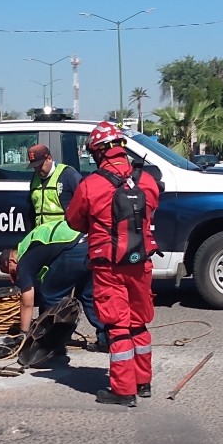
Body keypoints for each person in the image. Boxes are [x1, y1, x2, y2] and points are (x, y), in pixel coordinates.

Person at [65, 121, 161, 407]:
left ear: (97, 152)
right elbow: (151, 210)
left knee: (117, 325)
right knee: (138, 321)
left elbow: (74, 221)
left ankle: (123, 390)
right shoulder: (147, 180)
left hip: (109, 265)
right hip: (140, 262)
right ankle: (143, 382)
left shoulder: (91, 185)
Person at [0, 220, 108, 351]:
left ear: (11, 261)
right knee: (88, 295)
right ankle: (106, 339)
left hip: (73, 248)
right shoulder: (32, 242)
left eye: (11, 272)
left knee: (51, 296)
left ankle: (53, 345)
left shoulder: (24, 258)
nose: (16, 276)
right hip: (91, 244)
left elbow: (27, 301)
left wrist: (23, 333)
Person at [26, 144, 83, 229]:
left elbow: (83, 204)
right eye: (34, 167)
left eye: (40, 165)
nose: (37, 169)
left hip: (65, 236)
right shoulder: (35, 179)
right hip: (41, 236)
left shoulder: (68, 174)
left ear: (49, 158)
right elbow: (31, 212)